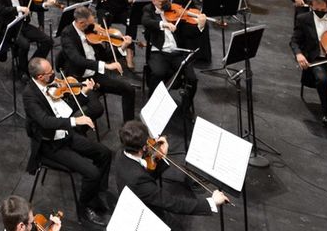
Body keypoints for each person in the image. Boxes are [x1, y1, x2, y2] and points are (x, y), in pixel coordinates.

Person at [21, 58, 112, 223]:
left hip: (65, 134)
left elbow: (67, 108)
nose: (54, 75)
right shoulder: (29, 95)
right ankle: (84, 209)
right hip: (50, 144)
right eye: (50, 73)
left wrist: (83, 92)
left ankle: (98, 192)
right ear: (40, 77)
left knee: (105, 153)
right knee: (92, 172)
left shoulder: (52, 85)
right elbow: (44, 121)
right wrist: (75, 121)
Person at [114, 120, 228, 221]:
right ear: (144, 148)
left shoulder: (122, 152)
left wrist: (161, 156)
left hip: (136, 194)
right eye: (149, 141)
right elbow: (172, 203)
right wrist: (211, 202)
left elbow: (145, 172)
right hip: (142, 213)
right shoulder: (138, 180)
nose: (153, 142)